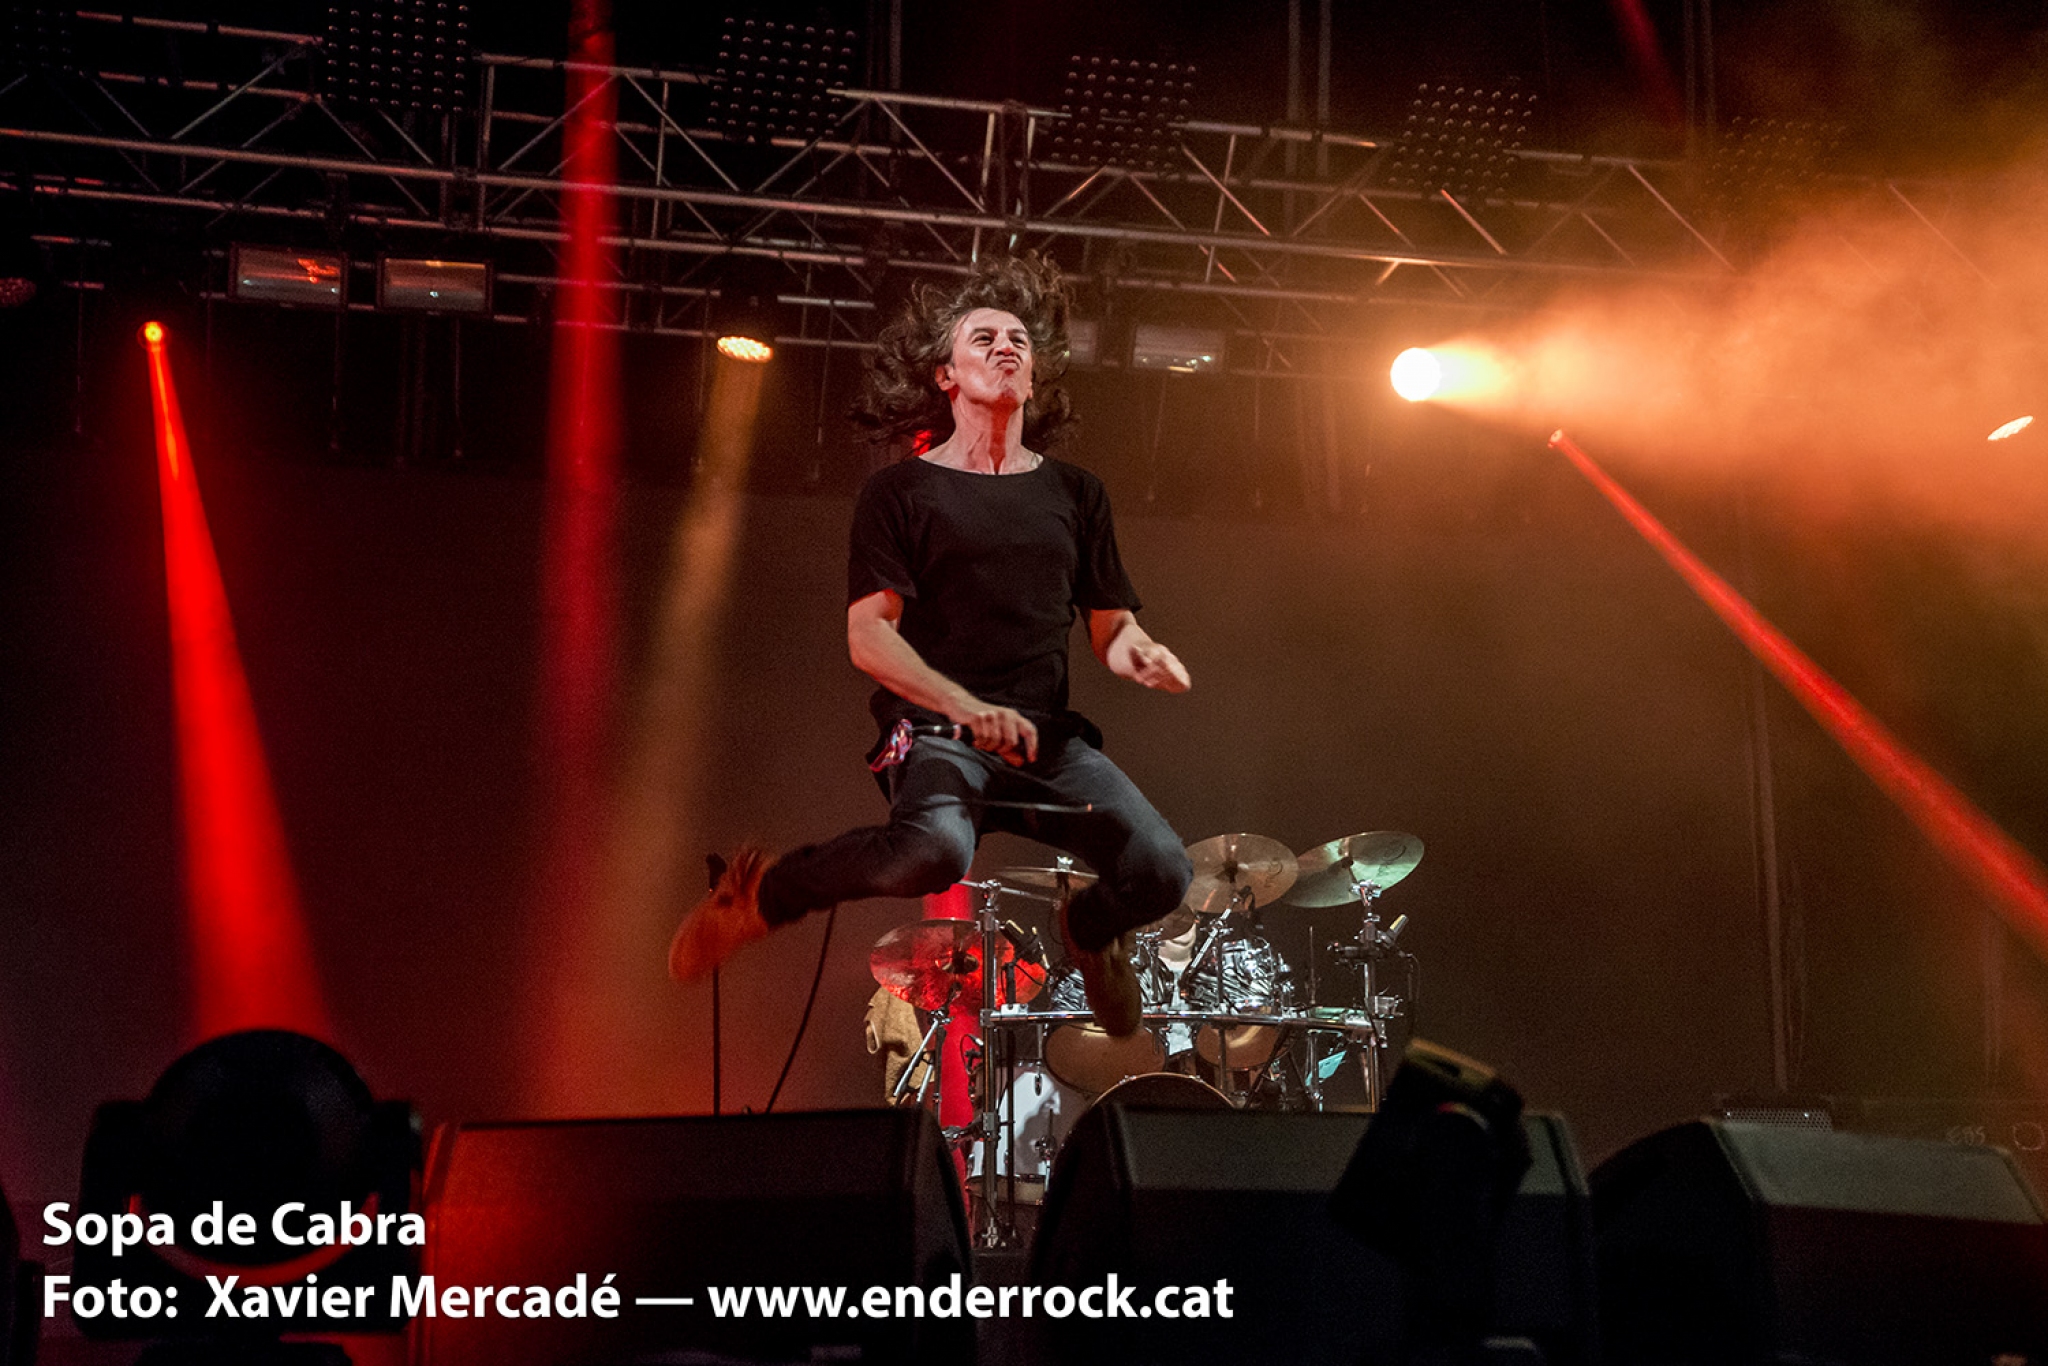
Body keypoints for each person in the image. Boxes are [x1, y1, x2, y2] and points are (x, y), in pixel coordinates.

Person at [667, 253, 1192, 1037]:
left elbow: (1109, 627)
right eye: (985, 338)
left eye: (1019, 341)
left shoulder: (1077, 494)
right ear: (946, 374)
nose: (1007, 347)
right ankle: (763, 895)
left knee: (1163, 869)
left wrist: (1139, 652)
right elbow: (868, 637)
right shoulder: (900, 492)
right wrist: (966, 708)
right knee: (936, 853)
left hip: (1044, 743)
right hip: (939, 732)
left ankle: (1090, 929)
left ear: (1035, 378)